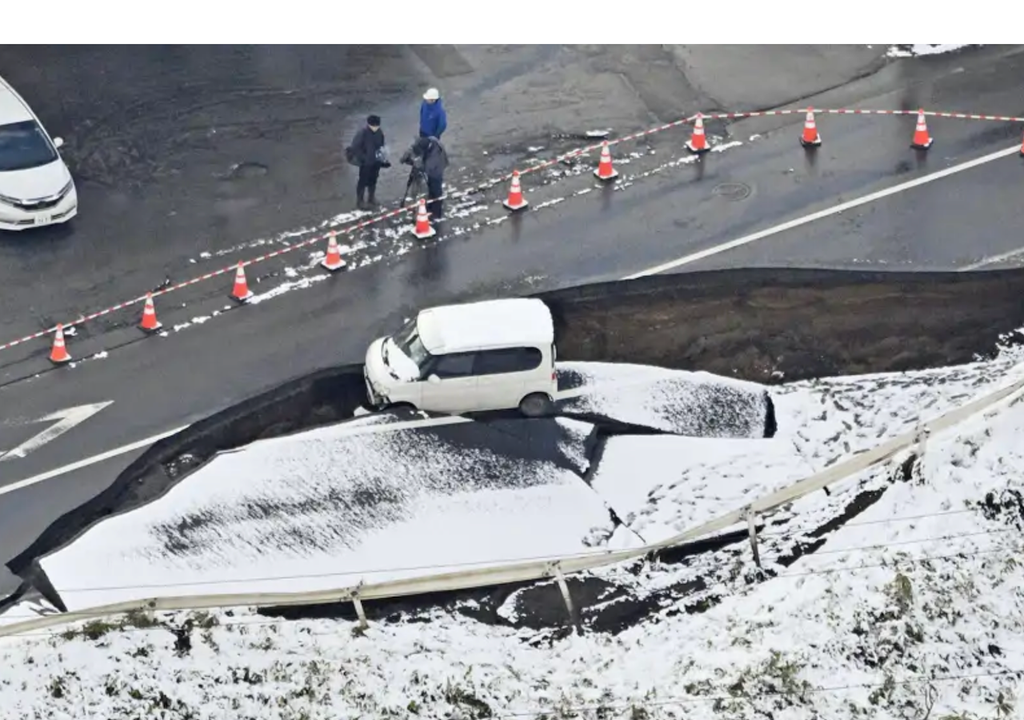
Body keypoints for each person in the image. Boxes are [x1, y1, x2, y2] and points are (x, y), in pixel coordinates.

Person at [345, 114, 390, 209]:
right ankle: (360, 201)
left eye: (377, 126)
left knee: (373, 180)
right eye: (374, 126)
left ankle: (371, 198)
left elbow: (381, 145)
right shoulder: (362, 133)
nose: (376, 128)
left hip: (375, 161)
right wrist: (363, 158)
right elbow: (355, 148)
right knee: (363, 181)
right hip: (365, 163)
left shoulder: (379, 132)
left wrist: (382, 157)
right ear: (369, 124)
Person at [401, 134, 449, 220]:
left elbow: (425, 168)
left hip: (436, 170)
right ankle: (430, 205)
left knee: (436, 189)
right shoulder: (423, 142)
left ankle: (436, 213)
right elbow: (413, 147)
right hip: (429, 162)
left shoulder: (435, 156)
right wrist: (406, 155)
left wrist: (415, 163)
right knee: (430, 188)